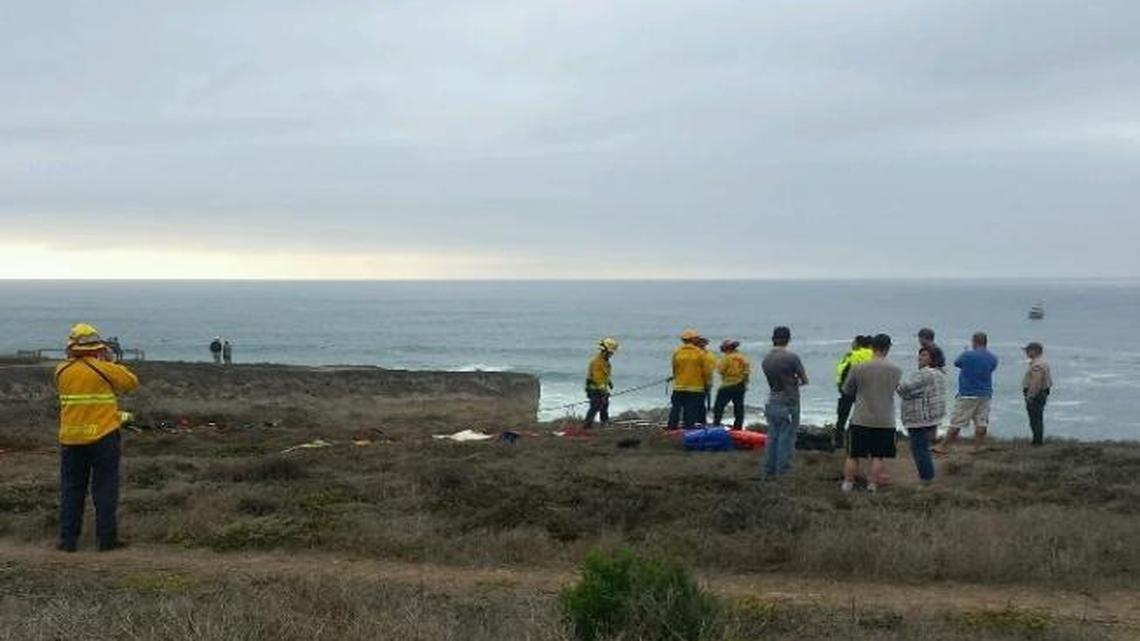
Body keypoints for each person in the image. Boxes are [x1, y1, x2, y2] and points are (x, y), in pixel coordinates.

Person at [54, 323, 140, 552]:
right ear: (97, 346)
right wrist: (110, 361)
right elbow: (131, 383)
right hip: (103, 436)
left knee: (72, 489)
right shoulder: (104, 368)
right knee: (104, 488)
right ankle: (106, 540)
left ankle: (67, 540)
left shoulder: (62, 370)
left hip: (70, 439)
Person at [842, 334, 902, 493]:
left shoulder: (859, 367)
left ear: (872, 347)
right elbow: (897, 390)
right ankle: (872, 485)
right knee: (878, 455)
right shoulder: (896, 370)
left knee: (853, 454)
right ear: (888, 348)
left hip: (861, 417)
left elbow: (847, 390)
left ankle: (848, 483)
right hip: (885, 419)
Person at [760, 326, 808, 477]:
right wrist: (794, 381)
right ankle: (783, 471)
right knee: (786, 438)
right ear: (788, 339)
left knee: (772, 436)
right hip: (789, 400)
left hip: (772, 398)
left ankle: (769, 470)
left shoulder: (766, 359)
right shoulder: (791, 357)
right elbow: (804, 379)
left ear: (773, 339)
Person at [941, 332, 999, 452]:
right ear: (985, 342)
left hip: (967, 393)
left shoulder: (967, 355)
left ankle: (944, 446)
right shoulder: (993, 358)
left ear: (974, 341)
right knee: (981, 422)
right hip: (985, 393)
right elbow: (991, 369)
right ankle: (976, 447)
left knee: (957, 421)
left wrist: (966, 353)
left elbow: (957, 363)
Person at [897, 346, 946, 484]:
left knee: (919, 449)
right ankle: (927, 477)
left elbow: (903, 389)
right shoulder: (939, 373)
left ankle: (926, 479)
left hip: (919, 417)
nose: (920, 357)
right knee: (923, 448)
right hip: (932, 417)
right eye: (920, 355)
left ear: (932, 358)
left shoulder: (925, 374)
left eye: (924, 355)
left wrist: (896, 384)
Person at [668, 329, 714, 429]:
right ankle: (688, 429)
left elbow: (675, 369)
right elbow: (707, 372)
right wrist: (708, 384)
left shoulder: (677, 352)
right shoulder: (700, 354)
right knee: (690, 410)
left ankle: (671, 428)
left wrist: (676, 378)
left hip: (679, 387)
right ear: (694, 340)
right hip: (695, 388)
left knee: (675, 408)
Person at [834, 335, 873, 448]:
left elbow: (842, 371)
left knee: (842, 416)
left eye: (853, 342)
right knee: (865, 417)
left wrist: (840, 386)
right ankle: (864, 441)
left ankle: (839, 441)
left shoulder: (852, 355)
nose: (851, 344)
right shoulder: (874, 356)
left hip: (849, 389)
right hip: (867, 390)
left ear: (858, 344)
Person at [583, 337, 619, 429]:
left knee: (605, 405)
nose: (612, 354)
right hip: (594, 389)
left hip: (601, 388)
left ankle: (604, 423)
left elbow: (604, 375)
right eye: (611, 352)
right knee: (595, 406)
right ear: (605, 351)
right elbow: (597, 378)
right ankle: (587, 426)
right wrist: (603, 390)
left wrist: (609, 382)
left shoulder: (604, 361)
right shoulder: (597, 362)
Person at [713, 340, 750, 429]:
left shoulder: (726, 358)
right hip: (740, 384)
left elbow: (720, 370)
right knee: (738, 407)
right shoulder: (743, 358)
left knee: (719, 406)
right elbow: (747, 372)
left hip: (727, 384)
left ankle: (716, 424)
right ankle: (738, 427)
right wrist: (745, 383)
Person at [1022, 342, 1053, 446]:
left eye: (1028, 350)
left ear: (1034, 351)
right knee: (1037, 418)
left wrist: (1030, 395)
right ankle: (1037, 440)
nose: (1026, 352)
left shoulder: (1037, 365)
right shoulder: (1043, 363)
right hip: (1042, 393)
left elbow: (1036, 381)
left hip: (1036, 394)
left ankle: (1037, 441)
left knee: (1035, 419)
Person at [696, 336, 717, 423]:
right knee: (700, 402)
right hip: (699, 381)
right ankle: (700, 420)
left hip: (703, 382)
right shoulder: (709, 355)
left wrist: (708, 382)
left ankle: (701, 421)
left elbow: (709, 369)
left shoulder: (706, 355)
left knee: (700, 402)